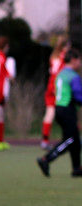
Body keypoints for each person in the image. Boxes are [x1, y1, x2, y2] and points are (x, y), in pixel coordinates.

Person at [37, 48, 82, 177]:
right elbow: (79, 96)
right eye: (79, 61)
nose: (80, 64)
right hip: (67, 110)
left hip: (58, 109)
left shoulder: (60, 74)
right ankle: (46, 159)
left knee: (75, 139)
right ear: (73, 60)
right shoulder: (73, 76)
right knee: (71, 140)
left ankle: (76, 168)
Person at [42, 38, 69, 149]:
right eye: (68, 46)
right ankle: (68, 139)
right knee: (65, 112)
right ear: (64, 47)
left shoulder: (53, 56)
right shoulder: (63, 57)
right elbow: (59, 74)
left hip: (50, 86)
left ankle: (45, 141)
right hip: (57, 87)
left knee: (50, 114)